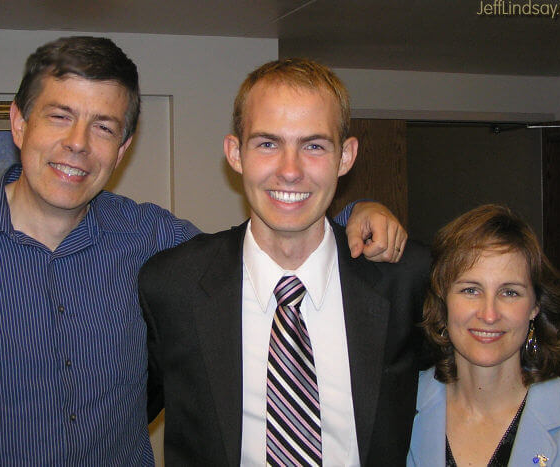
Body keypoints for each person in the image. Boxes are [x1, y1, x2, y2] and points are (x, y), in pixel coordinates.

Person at [0, 36, 407, 465]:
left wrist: (356, 216)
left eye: (103, 126)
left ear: (122, 149)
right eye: (59, 116)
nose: (79, 143)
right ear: (19, 122)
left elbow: (264, 245)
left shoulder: (152, 240)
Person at [139, 58, 431, 466]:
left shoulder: (405, 279)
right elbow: (119, 415)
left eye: (313, 145)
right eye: (267, 144)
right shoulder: (173, 285)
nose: (290, 171)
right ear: (235, 153)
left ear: (345, 156)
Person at [408, 204, 560, 466]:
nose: (489, 314)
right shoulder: (395, 412)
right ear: (443, 299)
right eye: (470, 290)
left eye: (510, 292)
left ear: (535, 306)